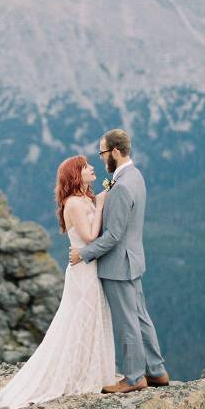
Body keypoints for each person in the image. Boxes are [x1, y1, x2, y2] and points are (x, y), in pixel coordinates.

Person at [0, 155, 115, 409]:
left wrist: (99, 201)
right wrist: (103, 204)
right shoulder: (73, 203)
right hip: (83, 271)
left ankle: (87, 369)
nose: (92, 168)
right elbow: (90, 237)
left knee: (90, 320)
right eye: (85, 167)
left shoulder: (85, 199)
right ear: (76, 174)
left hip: (88, 268)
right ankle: (77, 373)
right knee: (79, 321)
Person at [69, 129, 168, 394]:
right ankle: (157, 371)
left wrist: (83, 254)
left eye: (102, 153)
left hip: (118, 265)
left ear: (114, 151)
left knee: (127, 322)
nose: (101, 159)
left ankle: (135, 377)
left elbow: (113, 236)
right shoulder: (135, 176)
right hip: (133, 260)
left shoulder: (122, 186)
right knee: (140, 317)